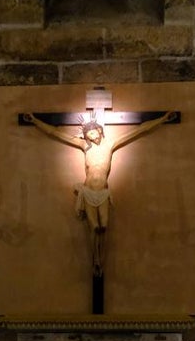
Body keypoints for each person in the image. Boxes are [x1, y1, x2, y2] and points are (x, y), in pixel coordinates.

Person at [23, 110, 177, 277]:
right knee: (94, 227)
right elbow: (56, 133)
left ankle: (101, 257)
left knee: (104, 226)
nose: (90, 136)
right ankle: (95, 259)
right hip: (88, 191)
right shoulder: (84, 146)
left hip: (103, 192)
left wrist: (162, 119)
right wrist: (35, 121)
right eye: (87, 134)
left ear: (99, 130)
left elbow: (140, 129)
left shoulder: (110, 144)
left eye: (93, 131)